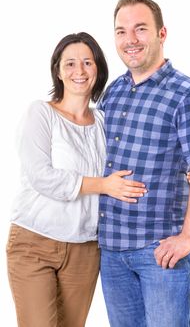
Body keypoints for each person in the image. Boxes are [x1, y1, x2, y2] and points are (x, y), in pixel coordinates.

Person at [6, 32, 147, 327]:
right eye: (70, 64)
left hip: (85, 249)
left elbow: (133, 159)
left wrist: (184, 168)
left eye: (87, 62)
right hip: (34, 243)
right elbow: (43, 177)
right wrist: (103, 184)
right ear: (58, 70)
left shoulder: (104, 124)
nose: (79, 71)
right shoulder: (40, 114)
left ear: (98, 69)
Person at [98, 0, 190, 327]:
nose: (130, 40)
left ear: (161, 34)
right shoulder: (113, 92)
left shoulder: (187, 94)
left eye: (140, 29)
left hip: (160, 251)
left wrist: (188, 237)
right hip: (110, 250)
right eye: (121, 31)